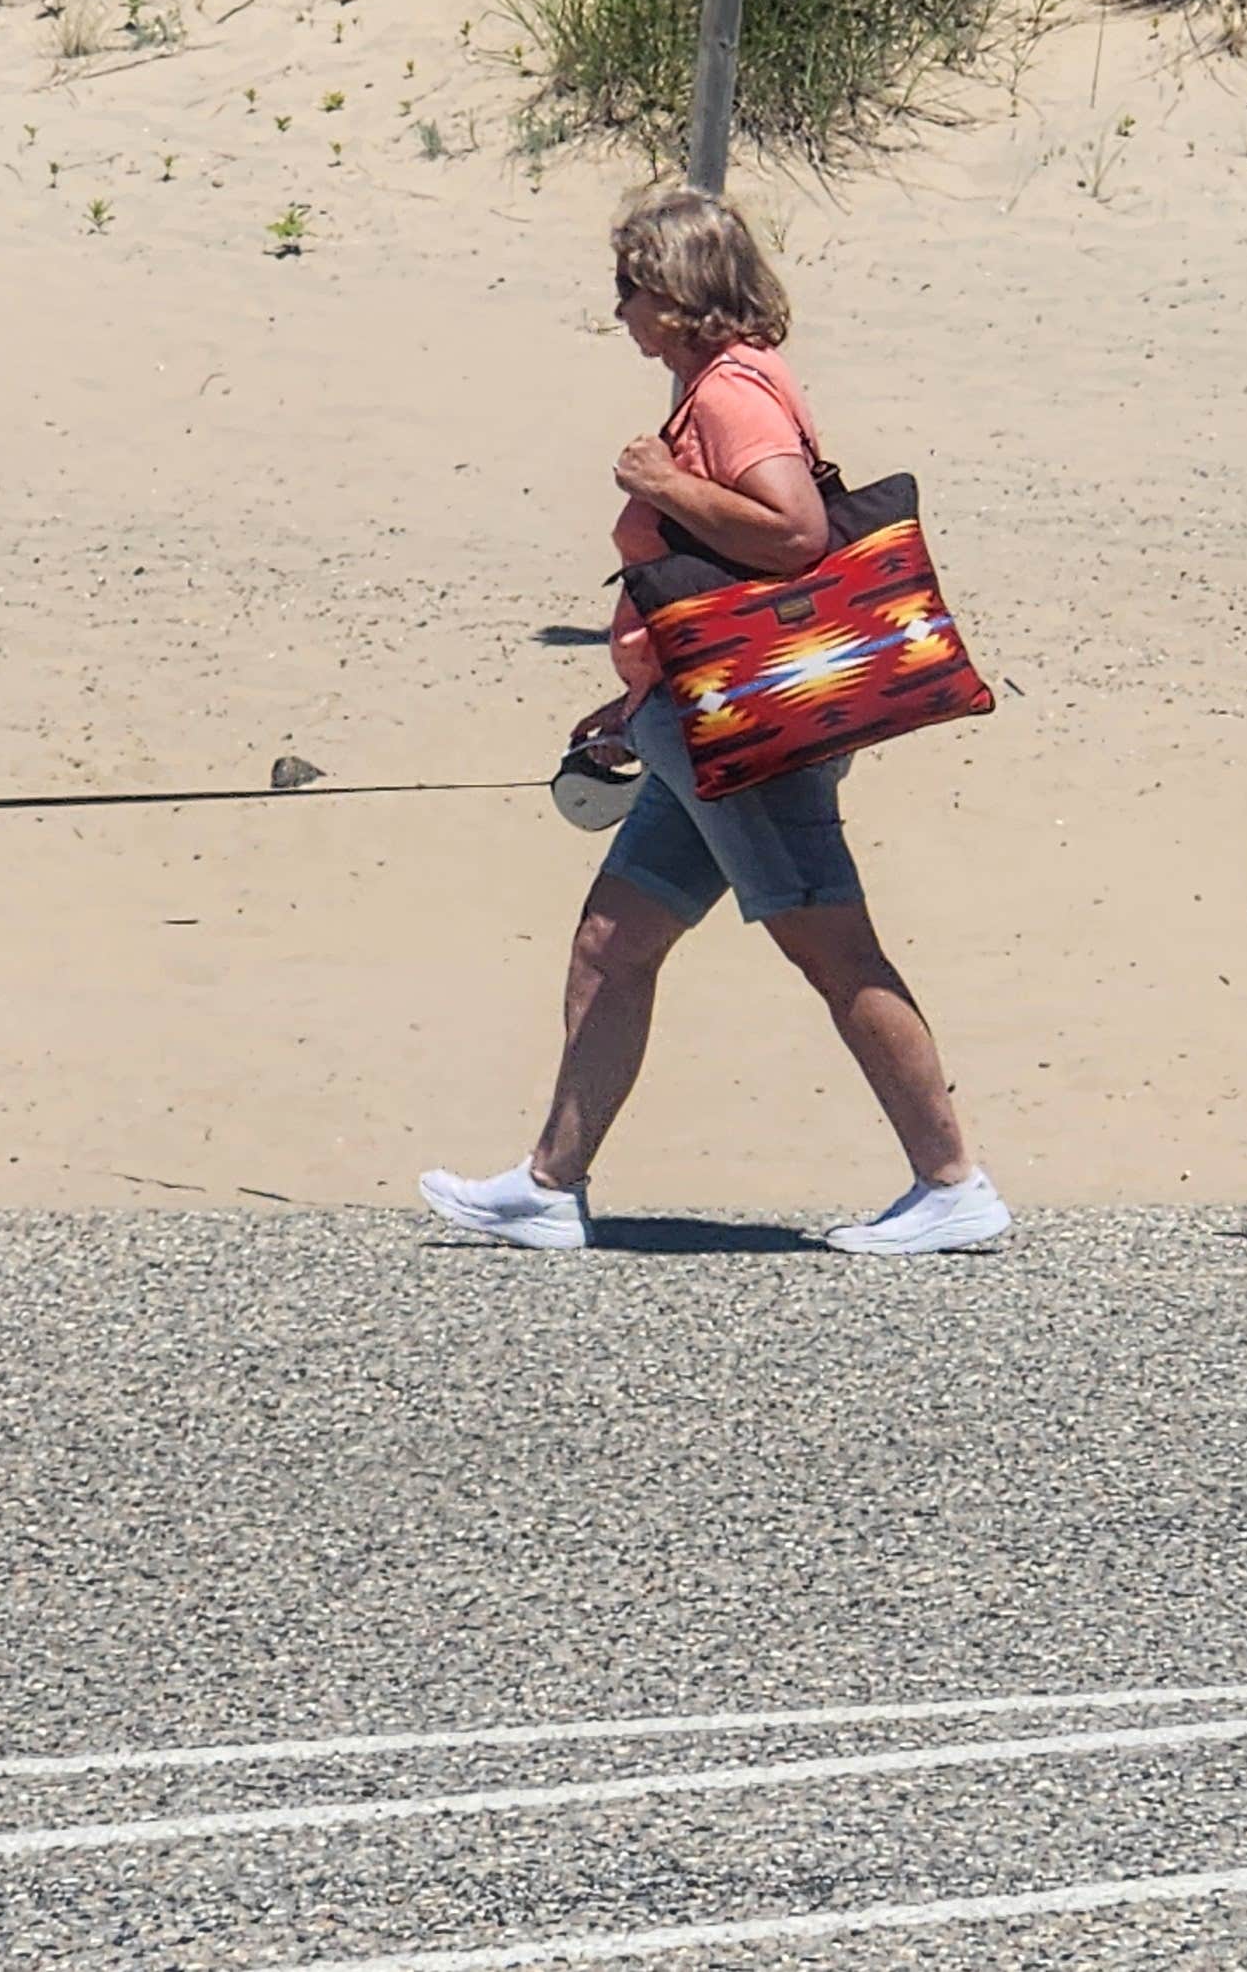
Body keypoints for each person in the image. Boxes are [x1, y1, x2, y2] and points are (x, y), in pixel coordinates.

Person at [419, 184, 1008, 1256]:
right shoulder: (713, 390)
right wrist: (638, 696)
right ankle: (550, 1183)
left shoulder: (736, 393)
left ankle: (950, 1179)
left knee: (833, 948)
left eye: (632, 288)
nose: (621, 314)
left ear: (681, 294)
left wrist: (658, 480)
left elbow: (790, 532)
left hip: (746, 752)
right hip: (691, 733)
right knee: (612, 942)